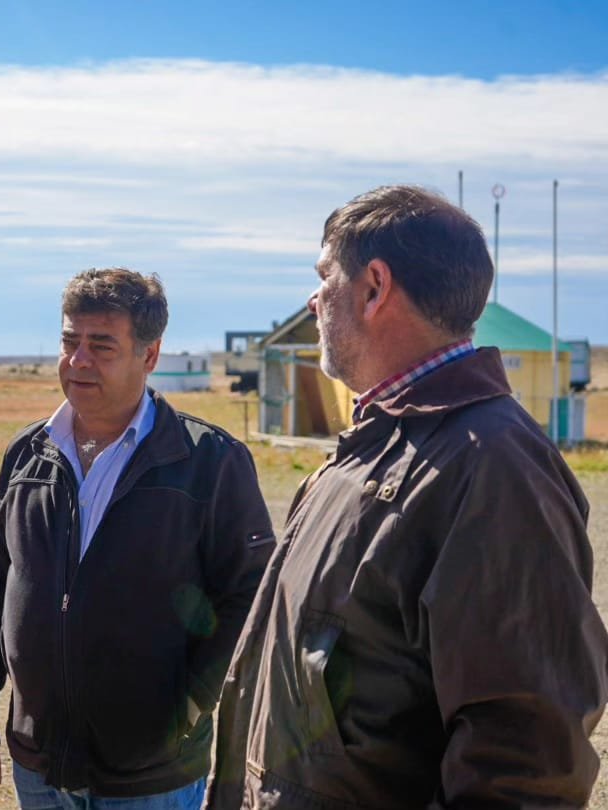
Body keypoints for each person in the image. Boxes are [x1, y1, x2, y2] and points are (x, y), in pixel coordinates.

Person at [208, 185, 608, 809]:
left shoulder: (493, 466)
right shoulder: (377, 442)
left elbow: (525, 761)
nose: (313, 300)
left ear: (374, 287)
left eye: (324, 277)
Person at [0, 268, 275, 809]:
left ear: (149, 355)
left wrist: (188, 709)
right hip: (40, 767)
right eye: (70, 342)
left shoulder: (209, 461)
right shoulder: (28, 456)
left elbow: (250, 597)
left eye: (101, 346)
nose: (78, 361)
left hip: (151, 778)